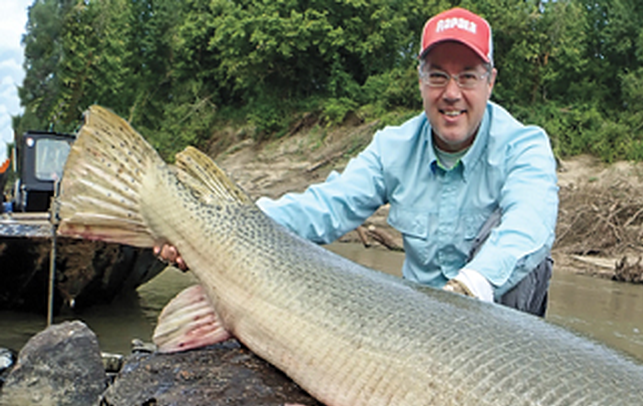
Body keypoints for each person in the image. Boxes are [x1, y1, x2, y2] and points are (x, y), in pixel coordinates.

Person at [158, 7, 558, 316]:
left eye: (467, 77)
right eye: (437, 76)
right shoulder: (393, 146)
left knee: (530, 257)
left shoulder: (524, 146)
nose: (451, 93)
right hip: (416, 318)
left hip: (495, 328)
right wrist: (216, 226)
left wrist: (468, 289)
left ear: (491, 81)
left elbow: (531, 224)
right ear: (420, 81)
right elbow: (324, 209)